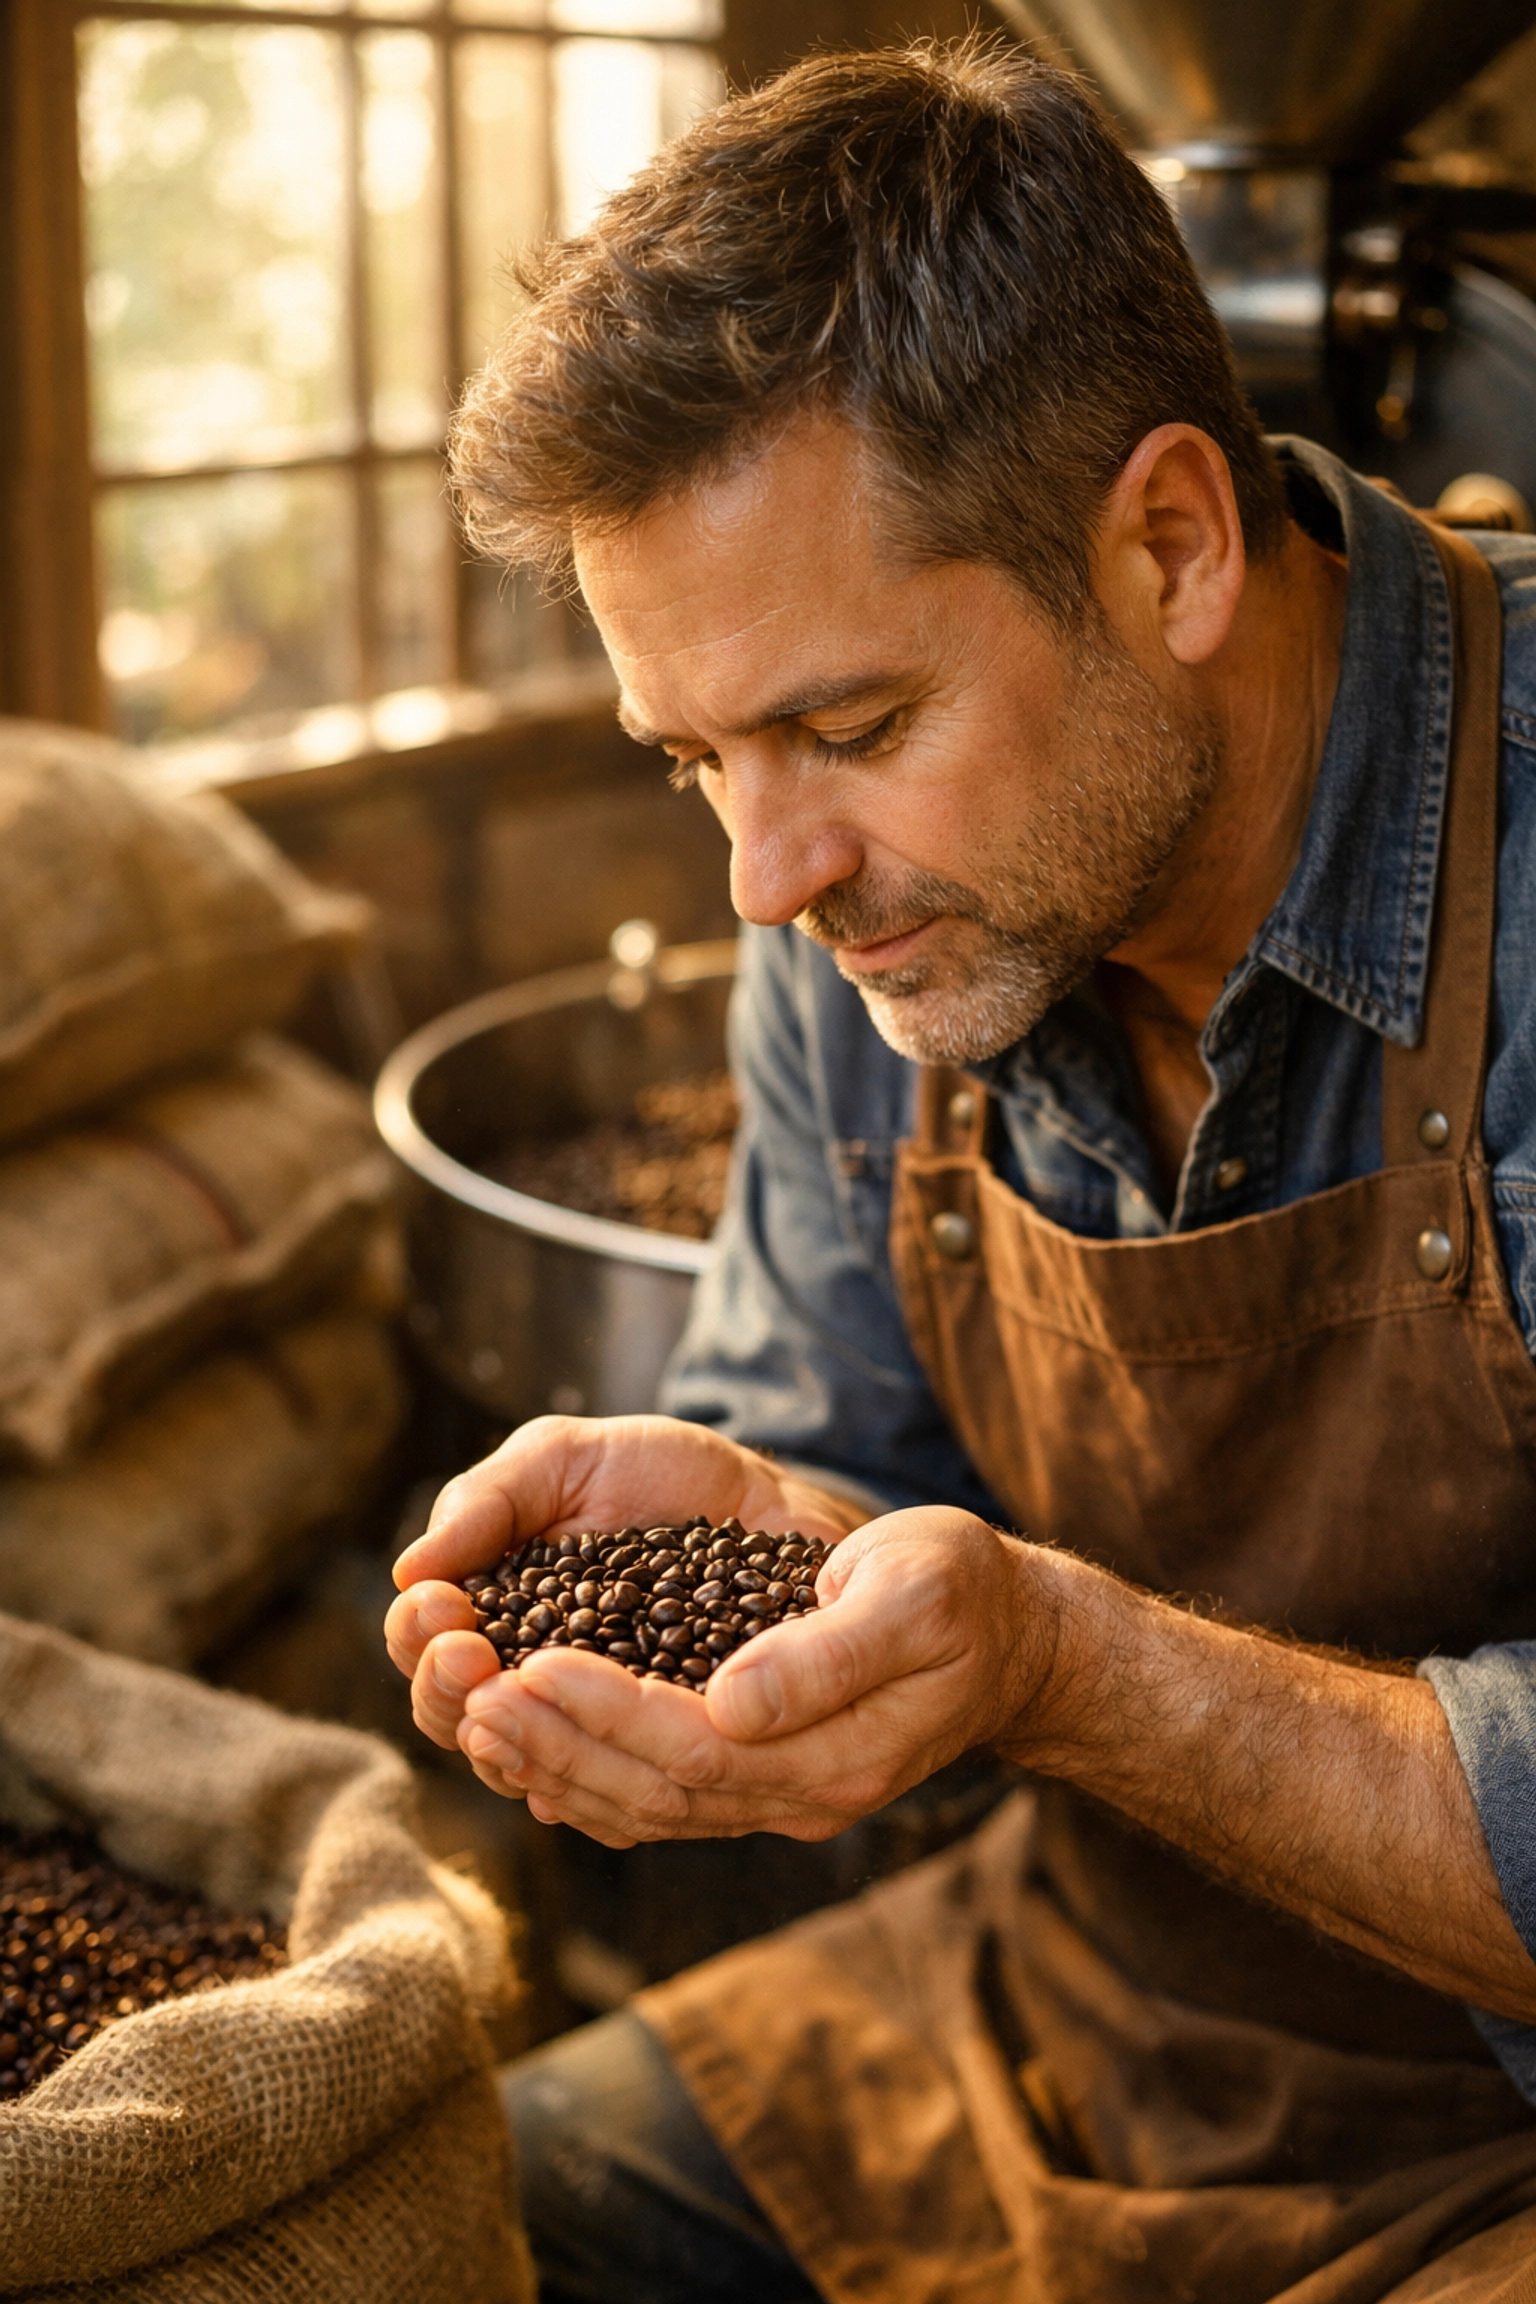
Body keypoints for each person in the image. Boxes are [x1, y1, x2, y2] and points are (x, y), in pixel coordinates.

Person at [385, 37, 1536, 2303]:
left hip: (1492, 2137)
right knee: (389, 2221)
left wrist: (1061, 1664)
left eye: (848, 724)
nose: (763, 870)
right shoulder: (877, 909)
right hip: (1071, 2018)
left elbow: (1040, 1657)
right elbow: (836, 1471)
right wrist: (770, 1561)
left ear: (1173, 546)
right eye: (693, 756)